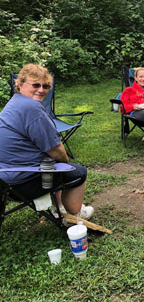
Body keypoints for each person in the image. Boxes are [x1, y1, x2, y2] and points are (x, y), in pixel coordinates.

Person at [0, 63, 94, 220]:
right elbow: (56, 149)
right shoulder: (32, 108)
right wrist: (66, 162)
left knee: (53, 163)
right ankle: (74, 215)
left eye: (46, 86)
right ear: (20, 84)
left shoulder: (14, 103)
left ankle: (60, 207)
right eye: (36, 85)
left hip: (4, 177)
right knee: (76, 172)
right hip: (21, 183)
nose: (41, 90)